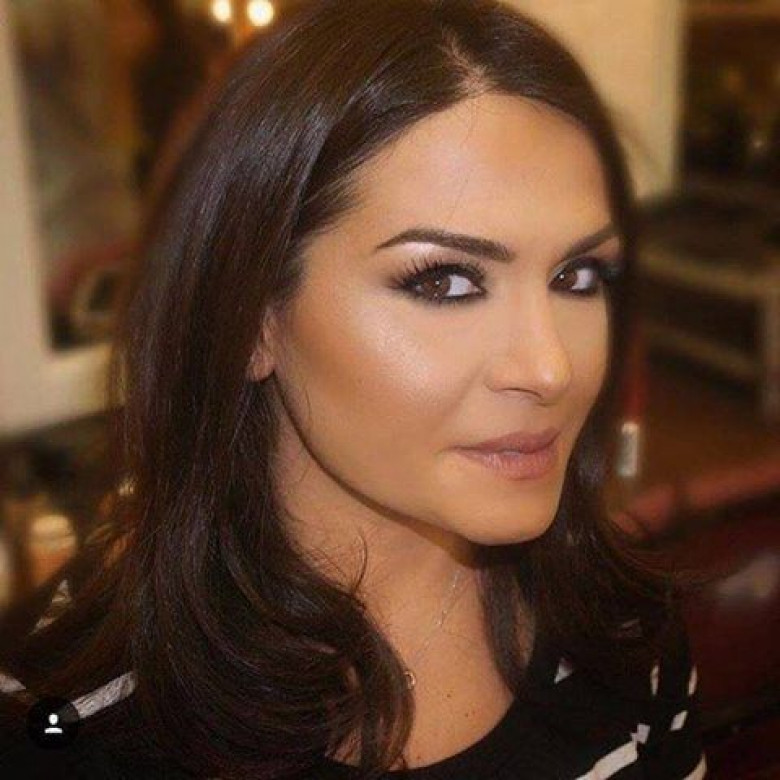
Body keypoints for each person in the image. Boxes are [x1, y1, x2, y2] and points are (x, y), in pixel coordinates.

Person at [0, 0, 707, 777]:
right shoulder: (67, 724)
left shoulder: (623, 632)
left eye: (578, 276)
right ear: (252, 319)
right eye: (444, 281)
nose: (550, 369)